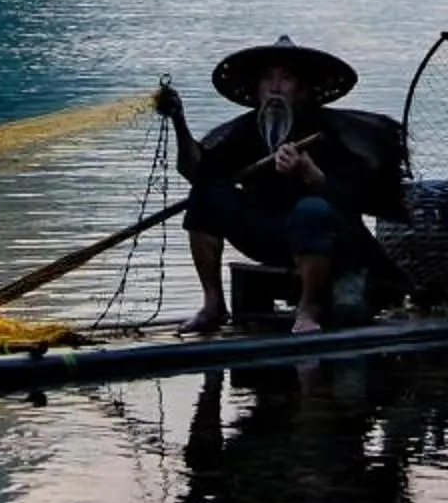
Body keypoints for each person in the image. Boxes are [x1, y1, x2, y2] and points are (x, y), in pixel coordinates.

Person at [156, 36, 387, 335]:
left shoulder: (330, 131)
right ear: (257, 88)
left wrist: (311, 174)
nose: (275, 88)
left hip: (329, 241)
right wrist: (179, 121)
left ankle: (309, 308)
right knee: (205, 194)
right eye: (268, 79)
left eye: (286, 79)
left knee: (311, 210)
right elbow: (197, 170)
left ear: (302, 90)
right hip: (270, 234)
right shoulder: (246, 130)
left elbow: (358, 196)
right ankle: (213, 304)